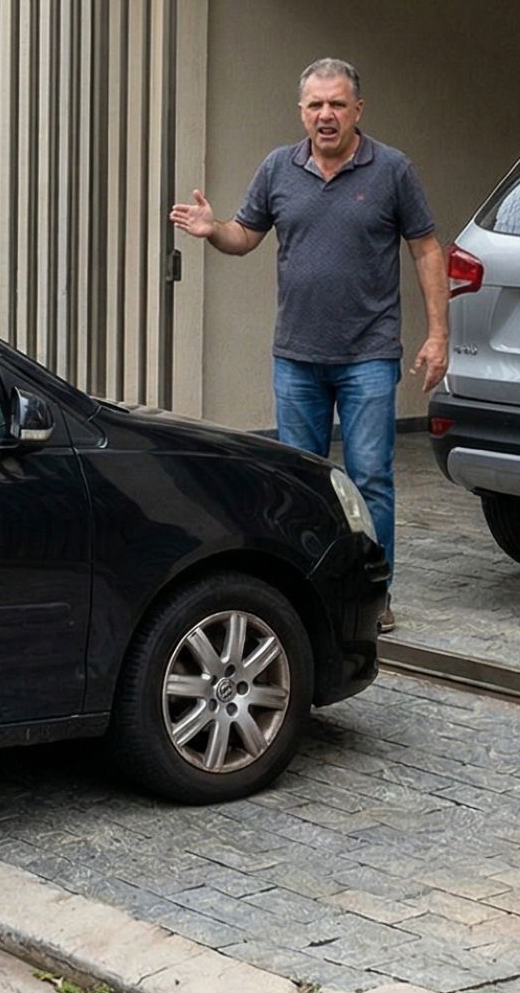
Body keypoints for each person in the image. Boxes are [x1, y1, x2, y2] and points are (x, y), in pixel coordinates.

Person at [170, 57, 448, 632]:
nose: (326, 115)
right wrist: (212, 228)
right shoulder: (278, 168)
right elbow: (245, 235)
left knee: (370, 479)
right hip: (296, 357)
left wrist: (438, 334)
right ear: (302, 111)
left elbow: (426, 248)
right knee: (301, 481)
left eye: (337, 104)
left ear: (358, 111)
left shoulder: (392, 170)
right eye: (316, 105)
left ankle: (375, 593)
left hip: (369, 355)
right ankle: (309, 590)